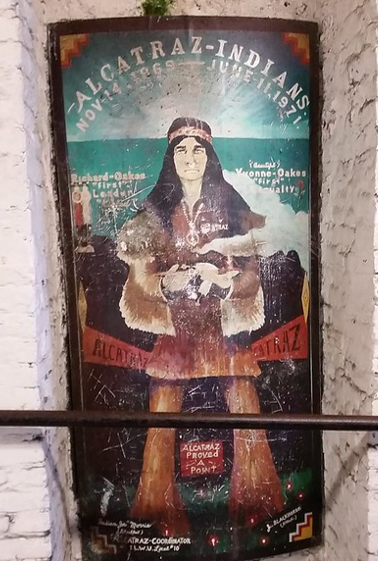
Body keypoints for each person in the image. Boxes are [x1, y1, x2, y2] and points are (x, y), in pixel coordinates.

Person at [116, 117, 284, 536]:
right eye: (181, 151)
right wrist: (165, 283)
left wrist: (224, 281)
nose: (190, 159)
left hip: (223, 329)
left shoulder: (232, 206)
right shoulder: (153, 212)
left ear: (210, 157)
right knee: (162, 416)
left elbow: (251, 274)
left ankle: (259, 508)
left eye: (198, 150)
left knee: (245, 408)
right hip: (177, 329)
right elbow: (138, 281)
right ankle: (157, 512)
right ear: (170, 159)